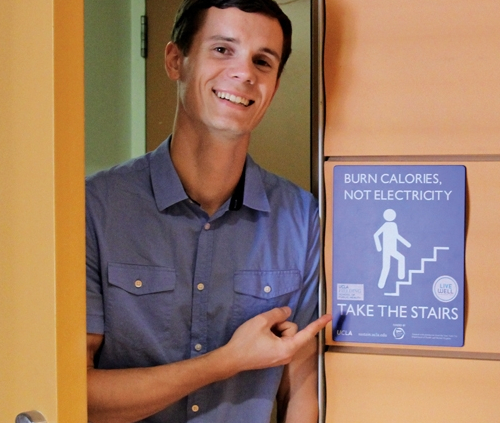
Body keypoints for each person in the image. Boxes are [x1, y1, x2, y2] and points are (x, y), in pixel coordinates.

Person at [85, 1, 331, 422]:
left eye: (263, 61)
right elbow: (78, 396)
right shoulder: (97, 207)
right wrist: (227, 361)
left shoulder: (301, 218)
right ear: (175, 60)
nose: (245, 73)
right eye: (222, 50)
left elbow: (302, 387)